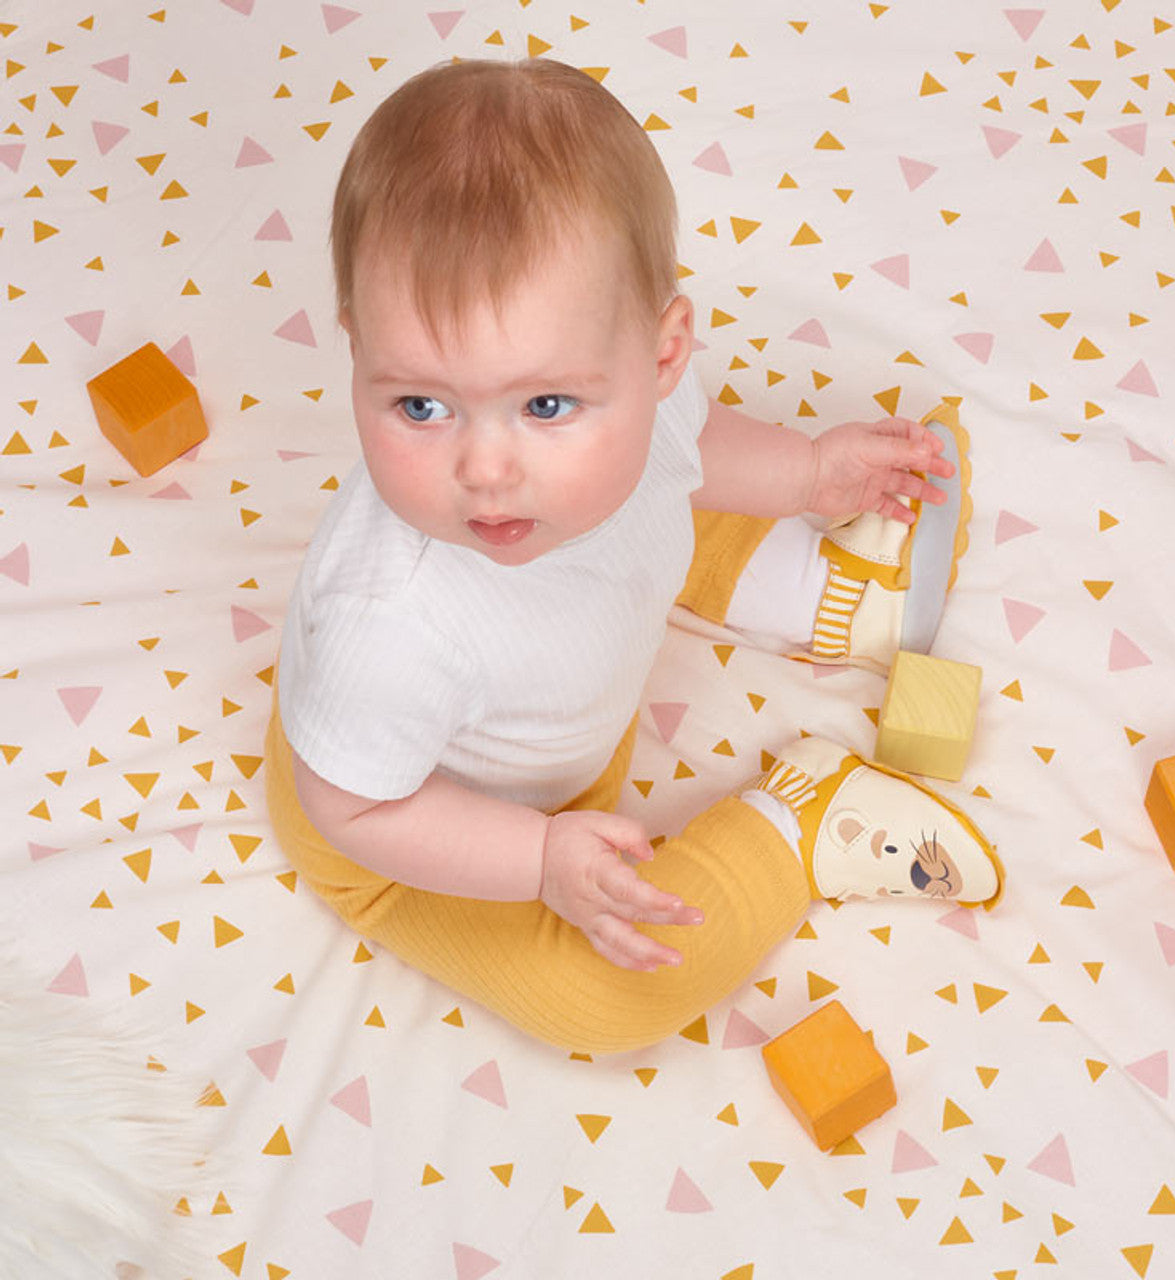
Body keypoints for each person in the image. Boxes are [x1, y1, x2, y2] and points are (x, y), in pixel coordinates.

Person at [263, 57, 1003, 1054]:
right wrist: (536, 857)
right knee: (607, 1001)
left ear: (660, 356)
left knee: (633, 483)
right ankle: (801, 829)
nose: (485, 470)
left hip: (569, 696)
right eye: (420, 406)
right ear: (356, 349)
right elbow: (351, 806)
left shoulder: (630, 416)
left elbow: (694, 450)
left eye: (544, 404)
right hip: (423, 823)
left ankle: (821, 594)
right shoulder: (387, 630)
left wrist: (809, 474)